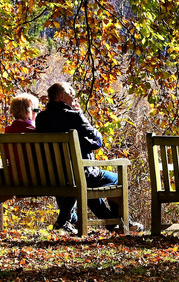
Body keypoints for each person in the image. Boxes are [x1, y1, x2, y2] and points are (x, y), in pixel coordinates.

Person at [34, 82, 124, 233]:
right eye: (72, 95)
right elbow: (97, 142)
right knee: (116, 179)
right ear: (62, 97)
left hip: (55, 175)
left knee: (84, 185)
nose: (75, 98)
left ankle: (111, 223)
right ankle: (117, 221)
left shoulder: (41, 118)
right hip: (80, 173)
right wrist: (82, 115)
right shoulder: (75, 116)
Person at [1, 92, 37, 185]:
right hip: (34, 178)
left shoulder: (7, 132)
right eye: (36, 110)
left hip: (13, 178)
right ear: (28, 112)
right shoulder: (33, 132)